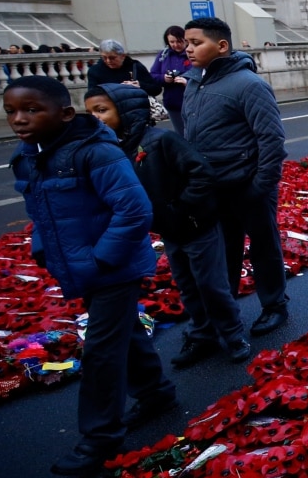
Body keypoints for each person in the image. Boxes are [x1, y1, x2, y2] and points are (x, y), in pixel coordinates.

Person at [5, 76, 177, 476]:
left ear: (65, 113)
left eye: (32, 109)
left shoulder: (96, 152)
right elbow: (42, 211)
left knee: (101, 350)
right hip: (82, 263)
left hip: (112, 266)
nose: (20, 119)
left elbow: (134, 210)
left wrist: (102, 259)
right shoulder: (30, 154)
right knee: (123, 332)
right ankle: (154, 393)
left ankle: (100, 437)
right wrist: (43, 250)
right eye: (12, 111)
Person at [84, 83, 251, 369]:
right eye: (90, 113)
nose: (96, 118)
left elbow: (201, 174)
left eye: (102, 110)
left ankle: (233, 333)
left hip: (196, 226)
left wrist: (181, 207)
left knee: (211, 285)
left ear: (127, 111)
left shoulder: (161, 142)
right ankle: (202, 333)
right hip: (169, 229)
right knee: (186, 285)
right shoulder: (111, 150)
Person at [182, 16, 290, 337]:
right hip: (212, 189)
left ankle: (274, 306)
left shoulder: (249, 85)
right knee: (222, 251)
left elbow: (271, 140)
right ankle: (225, 314)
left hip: (249, 186)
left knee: (263, 247)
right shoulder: (194, 83)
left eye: (196, 42)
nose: (188, 49)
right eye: (187, 43)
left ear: (222, 45)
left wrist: (260, 185)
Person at [149, 26, 191, 137]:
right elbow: (153, 75)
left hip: (191, 101)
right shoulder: (163, 55)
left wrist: (186, 81)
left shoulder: (192, 53)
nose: (176, 45)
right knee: (181, 134)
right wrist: (164, 78)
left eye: (179, 41)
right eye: (172, 42)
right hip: (173, 102)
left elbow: (202, 73)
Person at [86, 39, 162, 96]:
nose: (108, 61)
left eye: (112, 58)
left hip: (136, 112)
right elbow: (92, 95)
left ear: (123, 56)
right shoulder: (95, 71)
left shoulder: (135, 66)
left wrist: (139, 85)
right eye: (104, 58)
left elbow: (156, 89)